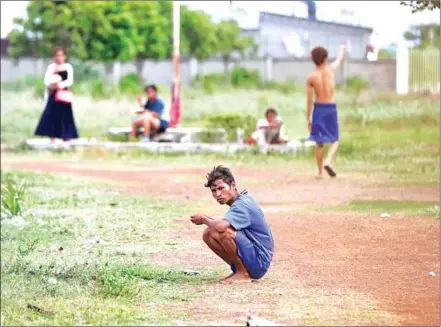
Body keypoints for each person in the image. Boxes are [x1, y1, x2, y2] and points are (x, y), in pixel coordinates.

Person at [190, 166, 274, 283]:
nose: (218, 194)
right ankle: (238, 270)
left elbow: (221, 227)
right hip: (255, 258)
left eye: (221, 188)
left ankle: (243, 273)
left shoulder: (242, 204)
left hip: (259, 261)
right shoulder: (242, 198)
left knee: (223, 232)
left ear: (233, 185)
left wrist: (204, 219)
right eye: (214, 191)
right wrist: (207, 220)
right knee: (209, 233)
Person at [306, 45, 346, 178]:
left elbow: (309, 100)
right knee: (335, 139)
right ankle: (328, 161)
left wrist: (308, 118)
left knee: (319, 142)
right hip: (331, 107)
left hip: (318, 108)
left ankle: (320, 173)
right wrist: (341, 49)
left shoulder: (311, 77)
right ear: (325, 58)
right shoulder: (331, 70)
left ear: (313, 60)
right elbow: (339, 60)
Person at [35, 47, 78, 143]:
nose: (59, 58)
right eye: (57, 55)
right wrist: (53, 84)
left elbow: (70, 80)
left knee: (65, 116)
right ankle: (52, 137)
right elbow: (46, 80)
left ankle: (67, 137)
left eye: (61, 55)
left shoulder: (68, 67)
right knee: (52, 115)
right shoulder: (52, 67)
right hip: (53, 94)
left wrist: (61, 85)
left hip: (63, 94)